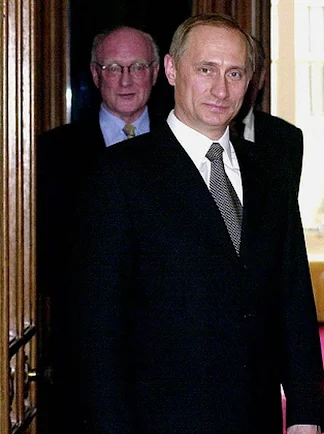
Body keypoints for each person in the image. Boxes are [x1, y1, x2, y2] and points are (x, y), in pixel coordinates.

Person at [62, 13, 324, 433]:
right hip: (156, 420)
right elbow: (97, 329)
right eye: (206, 69)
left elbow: (293, 299)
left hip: (255, 417)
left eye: (235, 73)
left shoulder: (269, 173)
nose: (221, 89)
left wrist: (306, 413)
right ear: (171, 69)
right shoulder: (117, 175)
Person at [35, 24, 161, 433]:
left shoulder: (184, 146)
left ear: (157, 72)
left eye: (137, 66)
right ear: (94, 73)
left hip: (170, 360)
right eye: (113, 67)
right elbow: (45, 260)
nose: (126, 80)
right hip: (84, 360)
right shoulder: (51, 154)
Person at [230, 35, 304, 192]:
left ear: (262, 77)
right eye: (235, 73)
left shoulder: (286, 138)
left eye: (249, 73)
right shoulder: (204, 129)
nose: (244, 82)